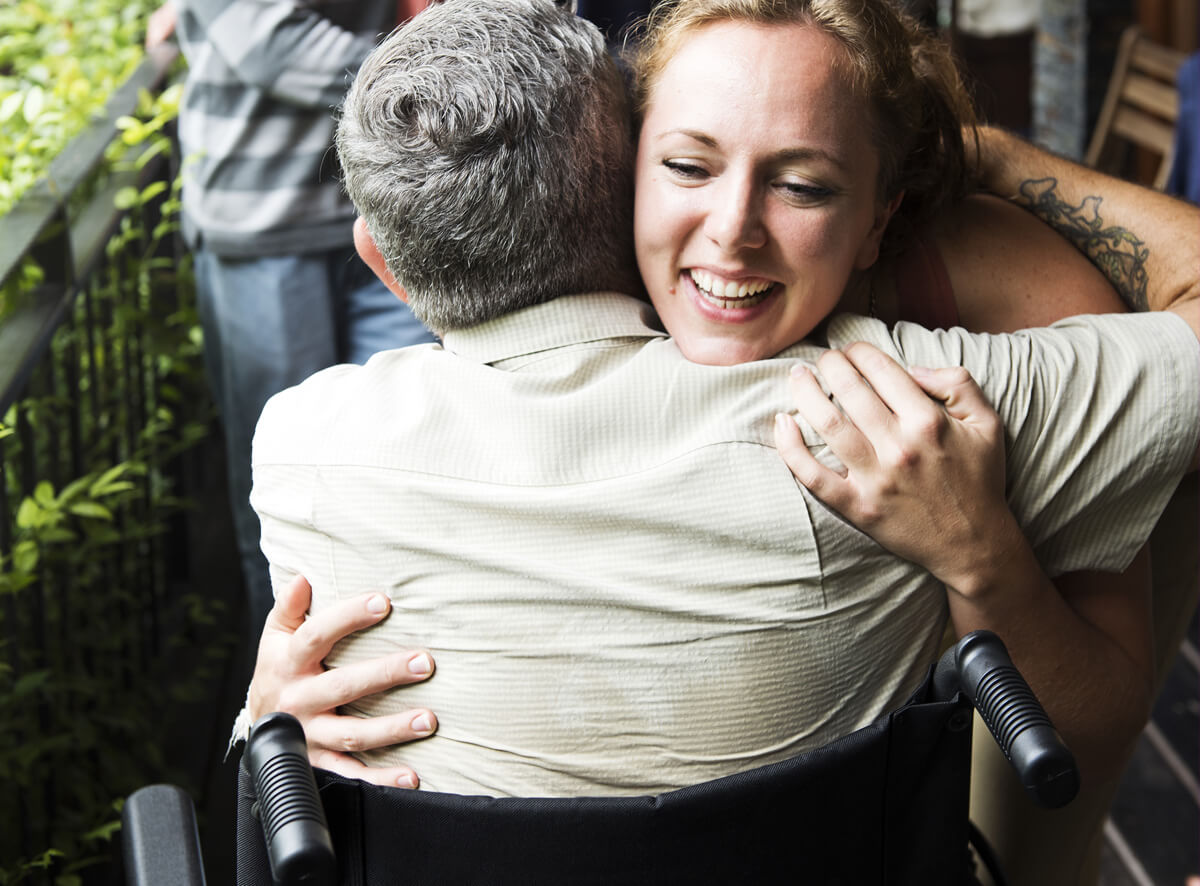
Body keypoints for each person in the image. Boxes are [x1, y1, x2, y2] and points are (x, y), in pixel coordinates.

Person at [239, 0, 1199, 802]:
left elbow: (1094, 730)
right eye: (688, 166)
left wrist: (981, 556)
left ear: (879, 219)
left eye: (803, 184)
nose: (732, 232)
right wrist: (271, 714)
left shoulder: (984, 324)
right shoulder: (581, 317)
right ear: (618, 175)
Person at [158, 0, 438, 640]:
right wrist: (436, 71)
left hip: (389, 207)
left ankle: (395, 686)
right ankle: (285, 714)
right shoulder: (413, 73)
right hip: (262, 223)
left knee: (404, 467)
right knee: (285, 487)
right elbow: (270, 43)